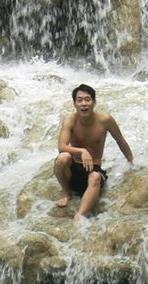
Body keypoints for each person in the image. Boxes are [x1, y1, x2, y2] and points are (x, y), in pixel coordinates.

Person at [53, 83, 133, 222]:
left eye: (87, 99)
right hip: (73, 170)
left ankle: (80, 214)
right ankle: (67, 193)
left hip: (92, 170)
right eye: (80, 100)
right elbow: (61, 146)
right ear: (74, 104)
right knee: (63, 158)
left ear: (94, 102)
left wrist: (132, 163)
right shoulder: (70, 120)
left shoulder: (106, 120)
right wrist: (81, 151)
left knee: (95, 177)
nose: (84, 103)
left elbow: (120, 141)